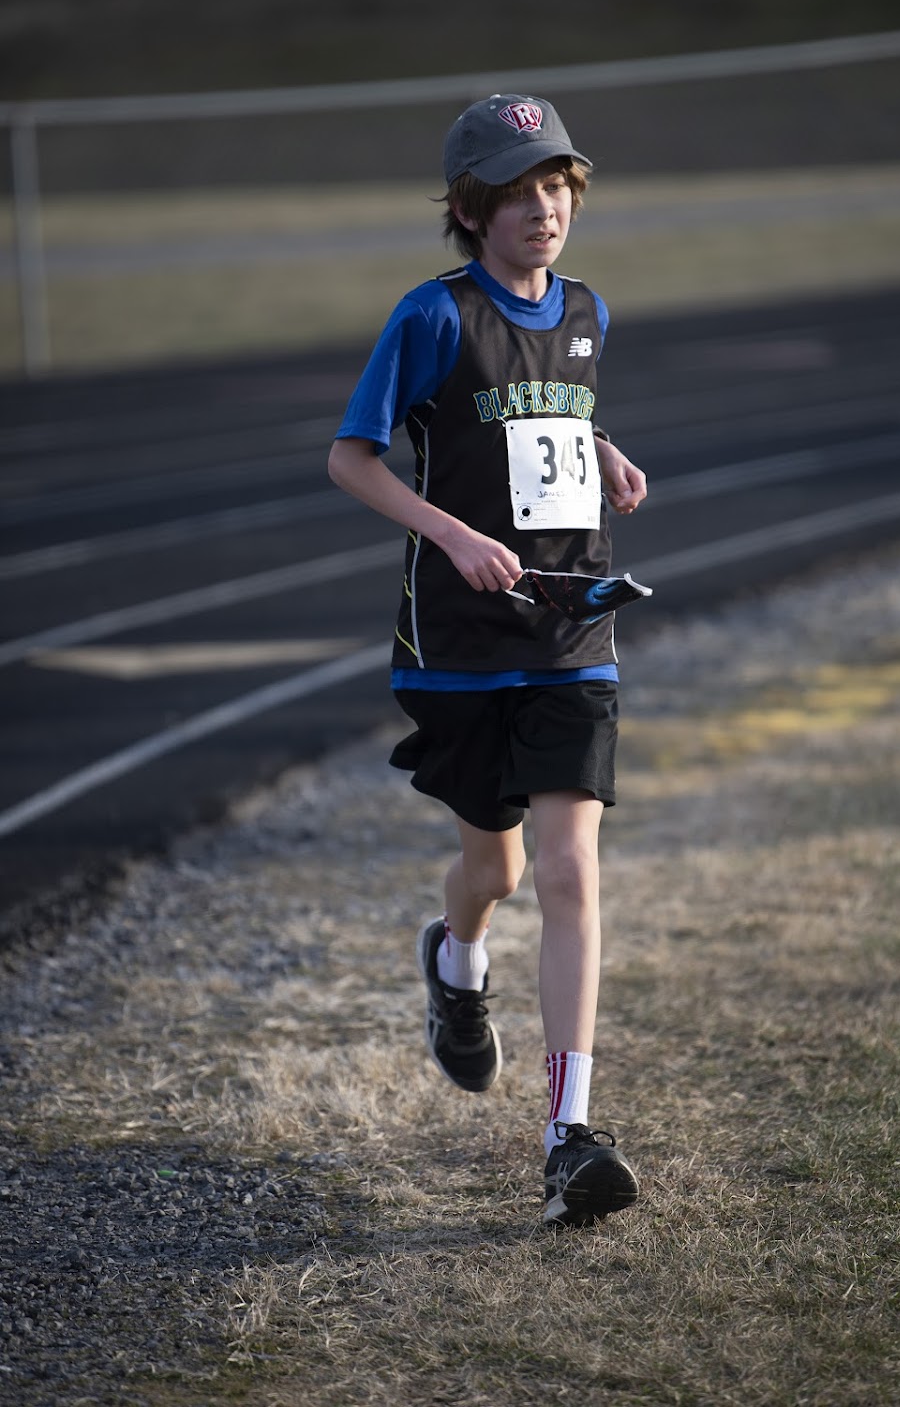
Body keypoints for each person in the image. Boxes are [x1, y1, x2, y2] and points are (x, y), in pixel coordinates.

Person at [328, 93, 647, 1226]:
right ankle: (455, 960)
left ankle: (570, 1136)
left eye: (556, 185)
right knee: (497, 875)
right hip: (462, 648)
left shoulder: (588, 310)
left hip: (572, 633)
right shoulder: (433, 315)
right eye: (517, 193)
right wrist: (452, 535)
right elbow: (353, 459)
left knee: (568, 874)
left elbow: (541, 417)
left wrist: (602, 450)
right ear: (470, 210)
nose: (543, 208)